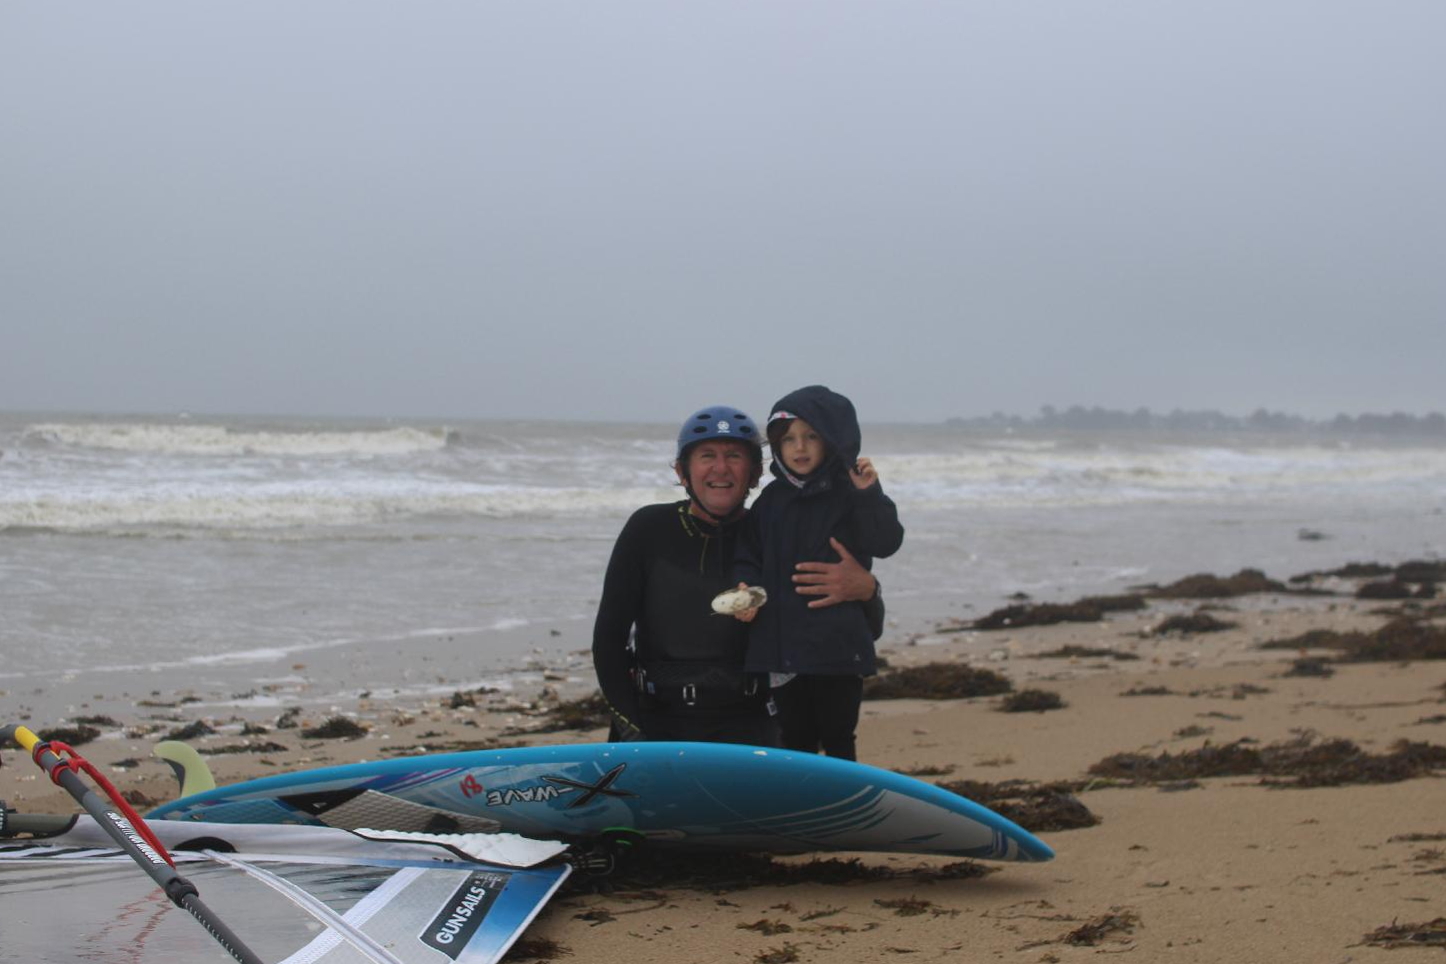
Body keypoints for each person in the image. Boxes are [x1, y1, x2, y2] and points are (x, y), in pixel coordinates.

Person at [592, 404, 883, 745]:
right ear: (682, 471)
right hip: (655, 722)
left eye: (734, 455)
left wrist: (868, 590)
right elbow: (608, 641)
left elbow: (862, 631)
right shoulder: (648, 529)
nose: (720, 468)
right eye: (706, 456)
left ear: (756, 473)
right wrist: (630, 728)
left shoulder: (778, 536)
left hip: (752, 725)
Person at [732, 385, 904, 761]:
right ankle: (801, 815)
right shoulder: (770, 501)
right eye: (789, 439)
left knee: (840, 737)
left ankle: (849, 814)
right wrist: (746, 587)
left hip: (837, 649)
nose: (800, 447)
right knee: (794, 741)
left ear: (832, 439)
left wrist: (869, 495)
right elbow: (748, 552)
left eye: (811, 436)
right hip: (780, 650)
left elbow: (886, 541)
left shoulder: (851, 493)